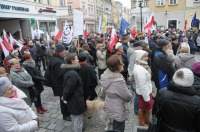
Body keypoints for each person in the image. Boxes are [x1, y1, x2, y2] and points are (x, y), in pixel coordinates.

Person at [100, 55, 133, 132]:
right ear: (116, 67)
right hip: (118, 107)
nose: (123, 64)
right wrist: (131, 93)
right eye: (121, 63)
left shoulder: (106, 75)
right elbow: (127, 97)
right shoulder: (118, 81)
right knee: (119, 127)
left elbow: (103, 92)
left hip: (111, 104)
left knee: (116, 124)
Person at [62, 53, 86, 132]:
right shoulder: (72, 74)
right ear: (72, 61)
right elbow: (69, 88)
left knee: (75, 119)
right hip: (76, 101)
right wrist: (65, 97)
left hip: (74, 100)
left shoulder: (71, 71)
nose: (78, 60)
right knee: (77, 121)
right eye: (76, 59)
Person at [133, 50, 153, 126]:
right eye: (144, 56)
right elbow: (142, 85)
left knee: (147, 108)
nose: (147, 58)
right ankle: (142, 123)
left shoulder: (142, 65)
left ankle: (146, 121)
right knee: (143, 108)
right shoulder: (139, 68)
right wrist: (147, 98)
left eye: (147, 56)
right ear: (139, 57)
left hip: (146, 91)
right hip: (144, 92)